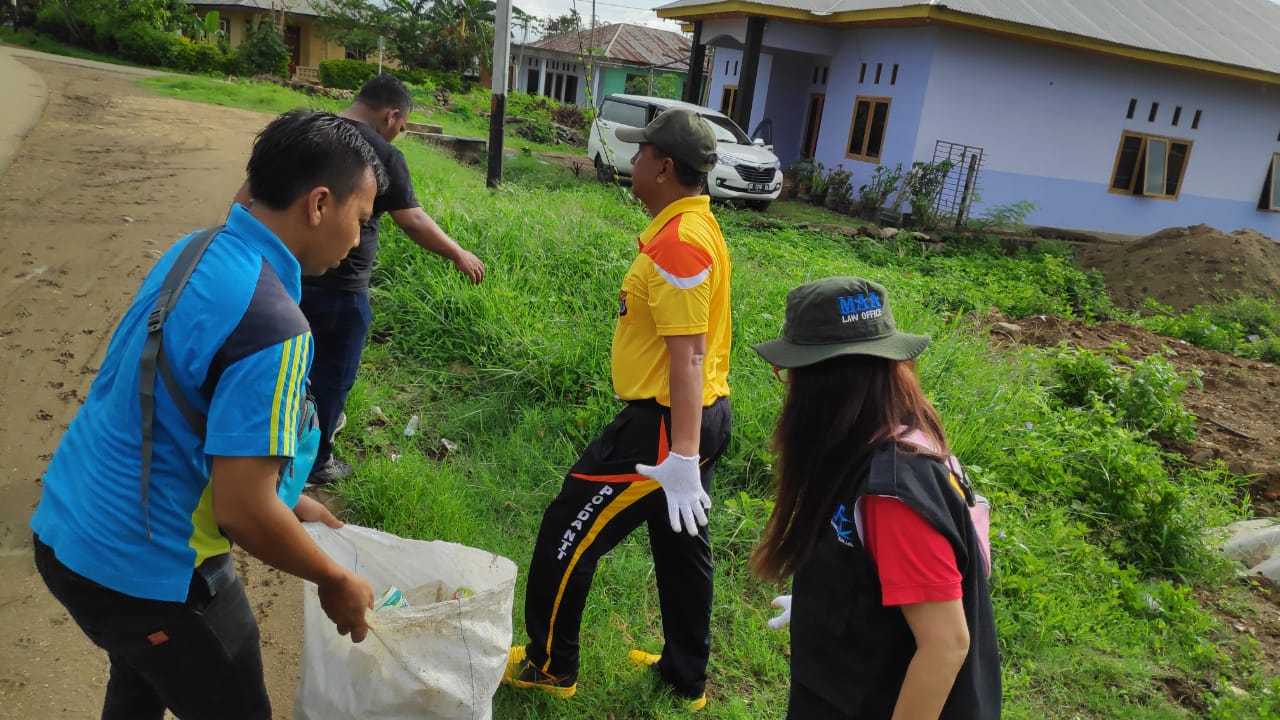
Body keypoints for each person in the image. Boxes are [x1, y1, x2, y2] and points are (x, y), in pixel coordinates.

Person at [30, 110, 383, 720]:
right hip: (145, 576)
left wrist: (289, 498)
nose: (358, 239)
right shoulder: (275, 326)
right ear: (320, 204)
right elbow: (241, 510)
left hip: (65, 534)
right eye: (362, 219)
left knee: (144, 674)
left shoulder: (194, 249)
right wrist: (333, 578)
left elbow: (171, 400)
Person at [502, 109, 733, 710]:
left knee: (566, 529)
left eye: (640, 154)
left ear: (663, 166)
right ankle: (686, 674)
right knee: (681, 545)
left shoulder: (680, 244)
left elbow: (686, 357)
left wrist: (681, 456)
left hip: (665, 426)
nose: (632, 163)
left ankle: (550, 666)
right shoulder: (693, 226)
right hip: (695, 414)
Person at [749, 276, 1000, 719]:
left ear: (827, 381)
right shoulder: (866, 444)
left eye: (791, 372)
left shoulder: (894, 492)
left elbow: (946, 645)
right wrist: (826, 603)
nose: (787, 385)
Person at [296, 74, 485, 485]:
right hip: (343, 288)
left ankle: (276, 442)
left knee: (292, 366)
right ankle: (315, 462)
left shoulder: (309, 131)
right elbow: (411, 219)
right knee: (333, 375)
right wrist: (459, 253)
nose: (398, 136)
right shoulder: (380, 153)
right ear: (391, 114)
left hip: (291, 276)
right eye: (400, 128)